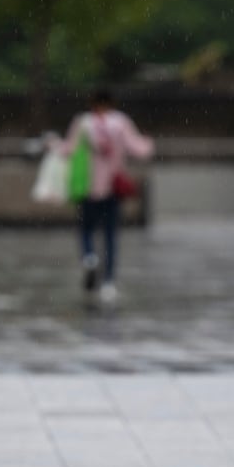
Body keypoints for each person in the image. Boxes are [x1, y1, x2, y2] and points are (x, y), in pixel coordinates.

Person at [57, 88, 153, 305]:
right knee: (110, 236)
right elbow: (139, 149)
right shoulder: (120, 122)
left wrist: (52, 144)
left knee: (86, 229)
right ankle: (108, 282)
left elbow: (68, 150)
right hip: (112, 188)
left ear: (92, 103)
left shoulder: (82, 122)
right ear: (112, 103)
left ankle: (89, 257)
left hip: (87, 187)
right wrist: (148, 143)